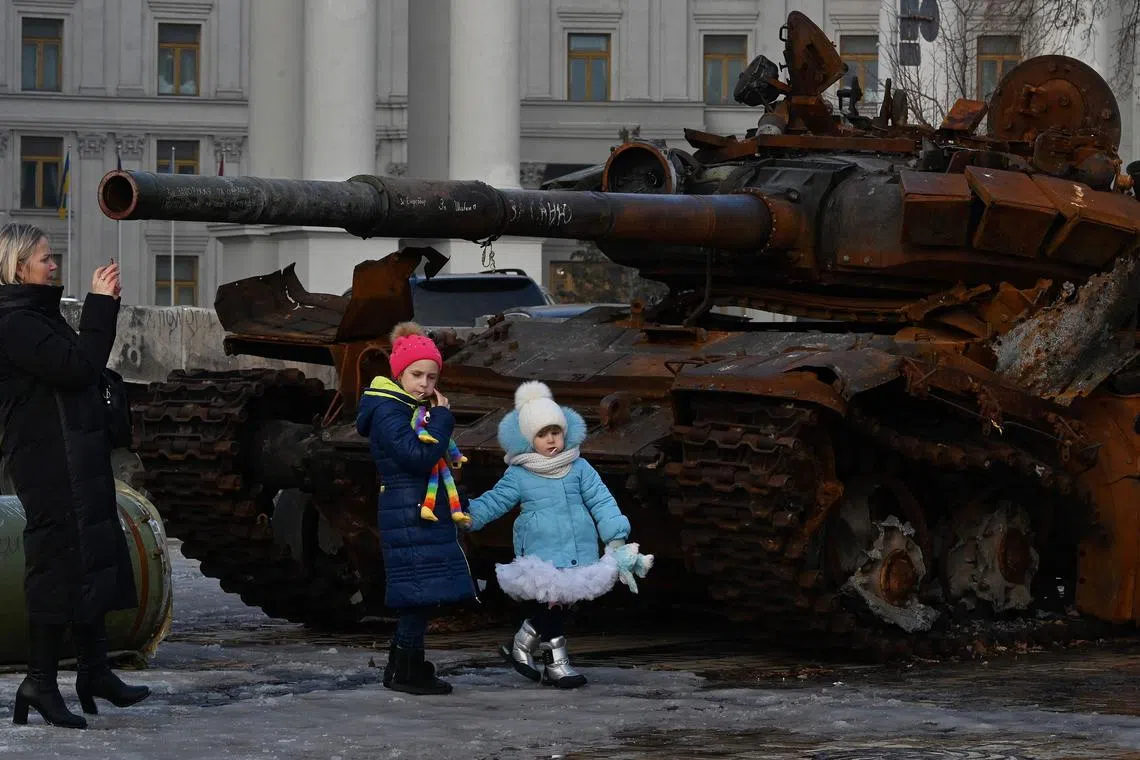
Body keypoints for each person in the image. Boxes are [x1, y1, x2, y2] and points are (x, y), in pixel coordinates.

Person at [0, 223, 149, 729]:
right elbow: (78, 368)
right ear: (19, 266)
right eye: (45, 258)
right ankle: (39, 683)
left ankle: (94, 671)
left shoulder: (38, 316)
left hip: (74, 457)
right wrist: (100, 305)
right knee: (56, 563)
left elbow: (81, 369)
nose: (54, 265)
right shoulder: (14, 323)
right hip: (48, 463)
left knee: (91, 554)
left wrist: (101, 308)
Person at [465, 381, 653, 689]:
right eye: (542, 434)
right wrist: (469, 515)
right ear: (529, 439)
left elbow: (601, 500)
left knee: (563, 605)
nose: (551, 440)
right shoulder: (520, 473)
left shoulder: (579, 467)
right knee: (550, 604)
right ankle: (557, 664)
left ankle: (520, 645)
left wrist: (615, 536)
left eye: (556, 432)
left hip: (578, 547)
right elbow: (496, 501)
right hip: (541, 549)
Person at [356, 321, 477, 695]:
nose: (425, 384)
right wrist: (442, 417)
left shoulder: (406, 408)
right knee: (417, 594)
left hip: (415, 507)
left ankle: (404, 667)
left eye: (431, 376)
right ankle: (407, 671)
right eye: (416, 375)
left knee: (420, 593)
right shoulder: (389, 410)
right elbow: (418, 456)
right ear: (399, 373)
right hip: (408, 508)